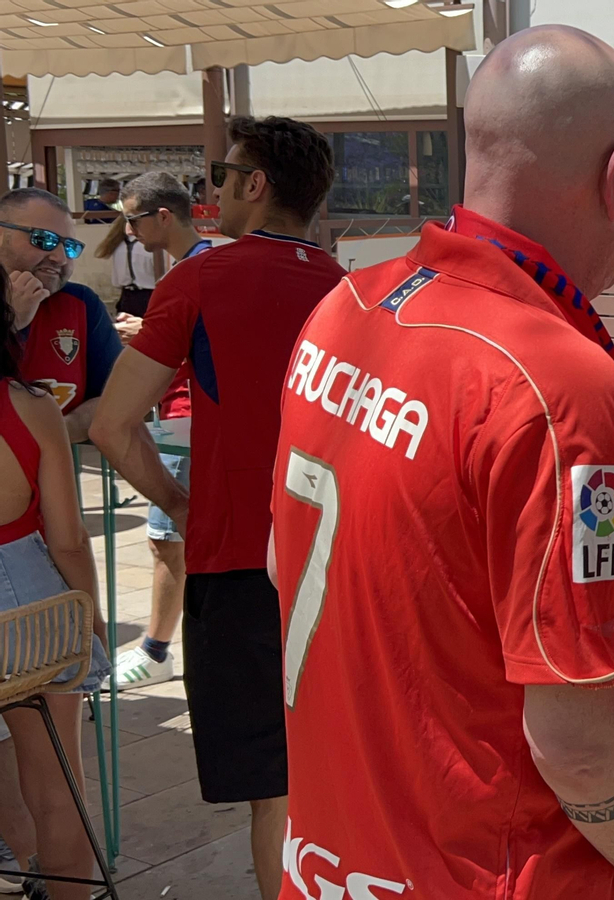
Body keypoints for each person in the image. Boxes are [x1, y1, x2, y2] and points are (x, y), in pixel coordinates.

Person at [266, 25, 614, 900]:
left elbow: (286, 561)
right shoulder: (560, 385)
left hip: (328, 863)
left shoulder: (344, 308)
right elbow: (576, 735)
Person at [89, 116, 343, 900]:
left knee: (279, 787)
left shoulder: (201, 278)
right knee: (341, 774)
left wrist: (177, 501)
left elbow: (109, 424)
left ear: (254, 186)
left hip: (240, 564)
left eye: (220, 174)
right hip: (343, 567)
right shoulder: (355, 289)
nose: (211, 191)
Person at [0, 262, 112, 900]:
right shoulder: (33, 408)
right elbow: (69, 540)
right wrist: (89, 619)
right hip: (29, 607)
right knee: (57, 787)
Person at [103, 172, 214, 690]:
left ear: (163, 216)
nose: (128, 229)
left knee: (168, 538)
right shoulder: (197, 268)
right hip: (180, 415)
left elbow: (195, 348)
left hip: (183, 417)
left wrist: (144, 335)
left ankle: (156, 649)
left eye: (133, 218)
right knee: (170, 538)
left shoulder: (195, 272)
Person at [0, 188, 121, 443]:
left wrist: (56, 432)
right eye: (43, 240)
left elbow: (116, 399)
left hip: (55, 477)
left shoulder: (81, 305)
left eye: (70, 246)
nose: (59, 257)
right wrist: (12, 323)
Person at [93, 215, 159, 317]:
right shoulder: (150, 247)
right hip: (149, 296)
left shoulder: (116, 246)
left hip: (126, 298)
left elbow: (116, 280)